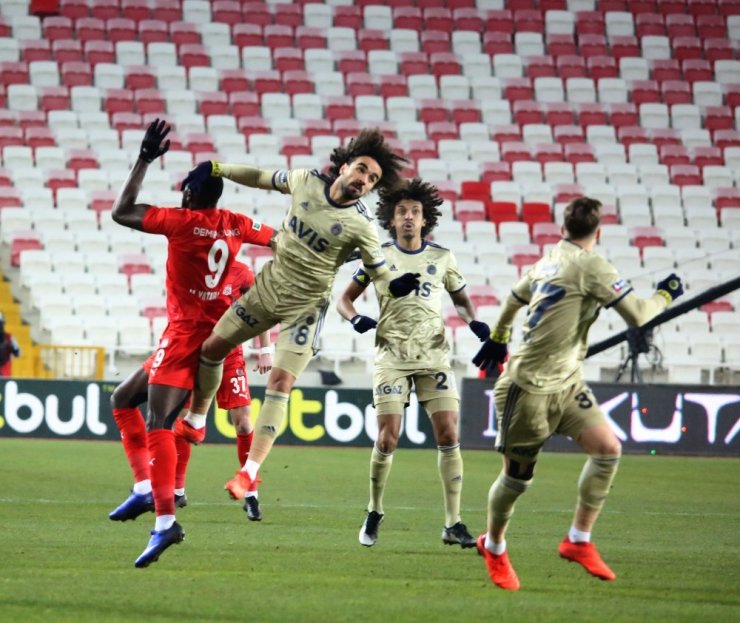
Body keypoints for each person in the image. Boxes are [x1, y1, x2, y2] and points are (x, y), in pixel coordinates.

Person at [180, 128, 421, 511]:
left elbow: (379, 272)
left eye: (372, 179)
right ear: (344, 166)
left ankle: (249, 472)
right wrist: (219, 168)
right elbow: (260, 178)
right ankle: (196, 417)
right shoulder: (304, 181)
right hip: (267, 289)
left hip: (305, 308)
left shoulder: (362, 226)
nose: (364, 181)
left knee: (279, 383)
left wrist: (397, 284)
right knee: (211, 350)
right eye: (361, 170)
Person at [471, 197, 684, 590]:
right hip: (528, 388)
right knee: (517, 480)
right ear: (598, 232)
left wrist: (500, 337)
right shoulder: (592, 265)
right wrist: (667, 294)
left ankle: (578, 540)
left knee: (607, 449)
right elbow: (638, 314)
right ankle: (495, 545)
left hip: (567, 382)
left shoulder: (547, 260)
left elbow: (515, 297)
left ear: (563, 228)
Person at [110, 119, 275, 568]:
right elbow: (279, 240)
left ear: (188, 195)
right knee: (124, 398)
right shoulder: (236, 223)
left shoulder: (179, 222)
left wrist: (144, 159)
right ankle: (146, 488)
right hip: (218, 336)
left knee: (159, 420)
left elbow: (121, 211)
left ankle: (165, 520)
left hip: (185, 334)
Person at [335, 178, 490, 549]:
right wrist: (355, 318)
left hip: (434, 355)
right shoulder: (379, 256)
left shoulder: (442, 257)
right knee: (388, 438)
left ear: (424, 220)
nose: (408, 217)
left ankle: (452, 523)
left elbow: (463, 301)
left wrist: (474, 322)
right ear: (391, 218)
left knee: (450, 435)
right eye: (402, 211)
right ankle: (374, 510)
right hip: (392, 356)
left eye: (415, 212)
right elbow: (344, 300)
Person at [173, 260, 274, 522]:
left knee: (243, 424)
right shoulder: (195, 267)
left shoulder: (241, 273)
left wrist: (265, 349)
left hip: (230, 355)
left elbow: (261, 307)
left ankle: (251, 494)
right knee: (184, 421)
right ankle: (177, 490)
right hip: (196, 353)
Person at [0, 312, 21, 377]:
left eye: (0, 324)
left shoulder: (10, 338)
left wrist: (13, 348)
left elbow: (18, 353)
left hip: (4, 373)